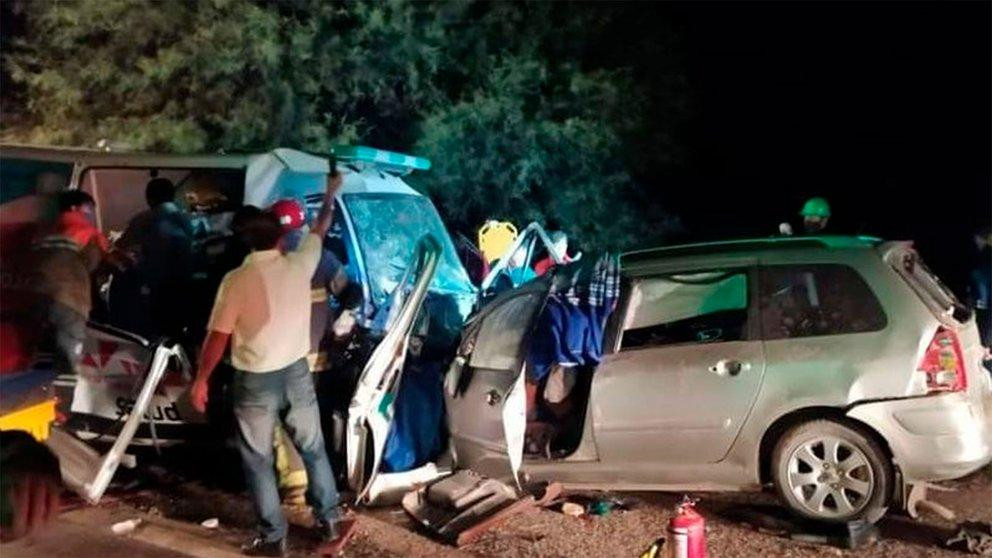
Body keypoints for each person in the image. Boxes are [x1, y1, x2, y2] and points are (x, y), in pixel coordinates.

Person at [190, 172, 349, 557]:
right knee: (312, 447)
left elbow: (218, 337)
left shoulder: (236, 280)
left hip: (256, 380)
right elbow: (322, 225)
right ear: (280, 238)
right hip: (296, 372)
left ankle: (274, 537)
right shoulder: (301, 265)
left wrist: (201, 379)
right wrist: (331, 192)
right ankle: (329, 519)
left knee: (258, 459)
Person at [115, 177, 194, 338]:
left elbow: (122, 246)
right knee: (175, 331)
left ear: (149, 198)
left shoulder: (143, 219)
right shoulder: (188, 220)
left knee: (154, 332)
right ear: (173, 196)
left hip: (154, 286)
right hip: (184, 283)